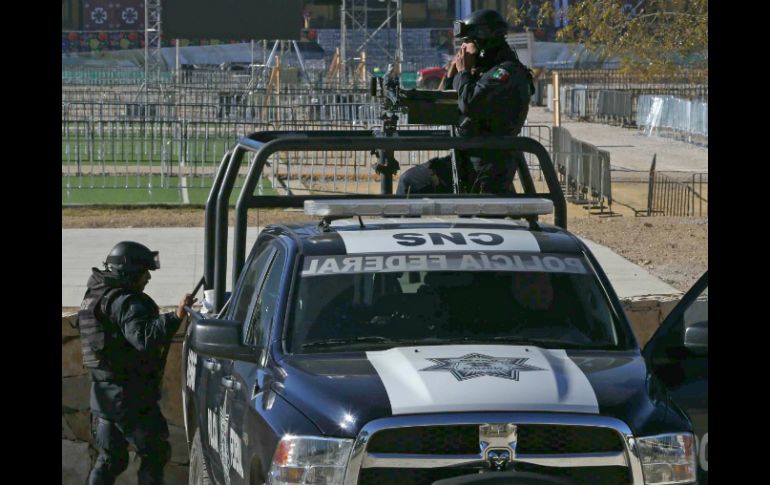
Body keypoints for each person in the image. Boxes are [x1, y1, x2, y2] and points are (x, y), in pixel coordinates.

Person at [78, 241, 197, 485]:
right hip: (129, 396)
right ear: (130, 272)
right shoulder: (126, 302)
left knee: (112, 459)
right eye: (145, 271)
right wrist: (176, 316)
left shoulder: (96, 295)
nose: (148, 277)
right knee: (154, 453)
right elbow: (144, 338)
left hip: (104, 396)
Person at [397, 9, 535, 195]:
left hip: (486, 168)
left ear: (484, 42)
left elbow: (471, 103)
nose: (462, 50)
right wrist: (452, 73)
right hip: (468, 161)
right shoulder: (481, 74)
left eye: (467, 42)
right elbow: (445, 103)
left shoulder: (505, 73)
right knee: (410, 180)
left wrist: (463, 73)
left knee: (410, 183)